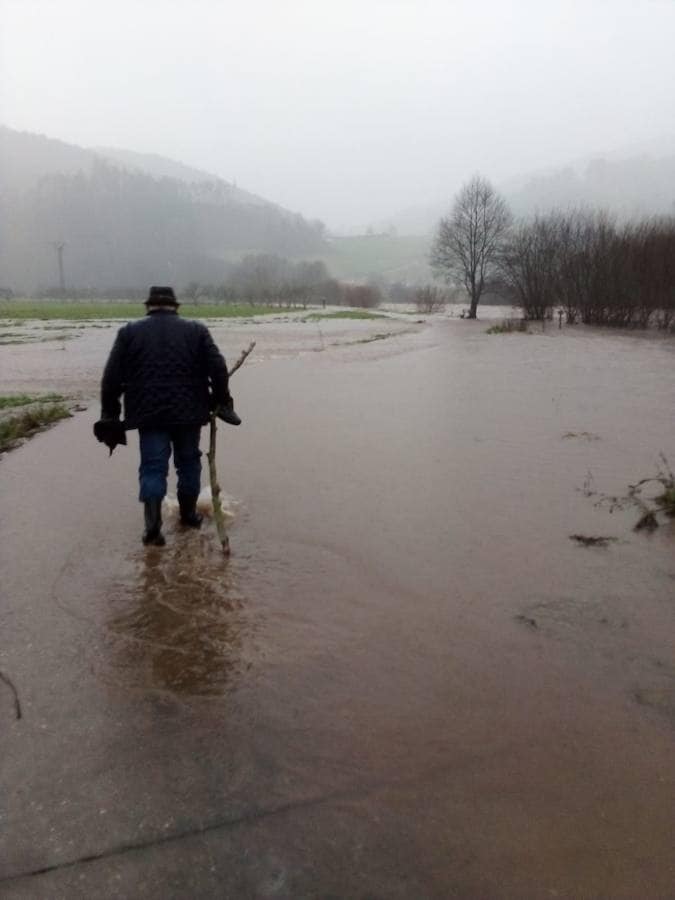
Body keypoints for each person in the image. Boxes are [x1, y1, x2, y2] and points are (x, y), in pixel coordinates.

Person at [96, 286, 241, 546]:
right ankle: (189, 517)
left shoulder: (129, 333)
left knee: (152, 467)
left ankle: (152, 530)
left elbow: (111, 379)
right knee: (188, 463)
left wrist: (110, 414)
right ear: (176, 307)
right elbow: (218, 368)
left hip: (148, 415)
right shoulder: (197, 331)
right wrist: (222, 401)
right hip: (190, 412)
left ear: (148, 306)